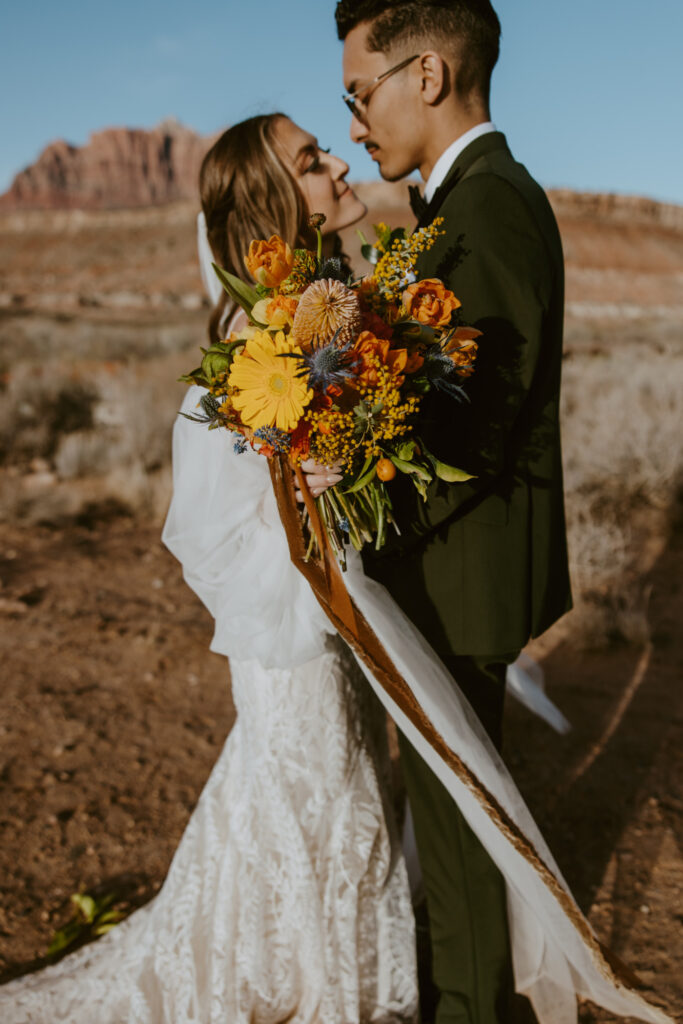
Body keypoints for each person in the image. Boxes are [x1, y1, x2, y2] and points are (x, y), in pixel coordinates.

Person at [0, 114, 419, 1024]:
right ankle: (316, 983)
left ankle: (313, 968)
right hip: (293, 627)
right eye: (313, 161)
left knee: (319, 783)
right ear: (274, 200)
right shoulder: (255, 341)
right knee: (312, 784)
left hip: (325, 612)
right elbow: (216, 514)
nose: (338, 163)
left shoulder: (312, 307)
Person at [331, 2, 572, 1022]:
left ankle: (469, 1006)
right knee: (452, 812)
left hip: (453, 574)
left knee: (461, 822)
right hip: (450, 565)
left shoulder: (487, 210)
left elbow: (469, 427)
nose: (353, 126)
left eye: (359, 95)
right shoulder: (457, 206)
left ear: (424, 75)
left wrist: (345, 496)